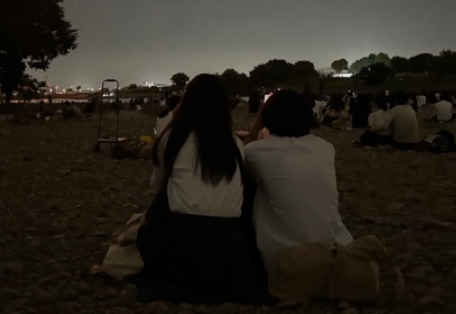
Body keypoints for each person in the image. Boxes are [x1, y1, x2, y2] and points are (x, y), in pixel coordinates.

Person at [132, 74, 270, 304]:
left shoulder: (173, 139)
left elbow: (157, 186)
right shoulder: (234, 144)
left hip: (181, 243)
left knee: (164, 196)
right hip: (230, 248)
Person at [244, 89, 353, 277]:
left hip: (282, 259)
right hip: (336, 250)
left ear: (267, 118)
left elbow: (240, 162)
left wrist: (255, 129)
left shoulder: (256, 152)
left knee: (249, 184)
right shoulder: (325, 148)